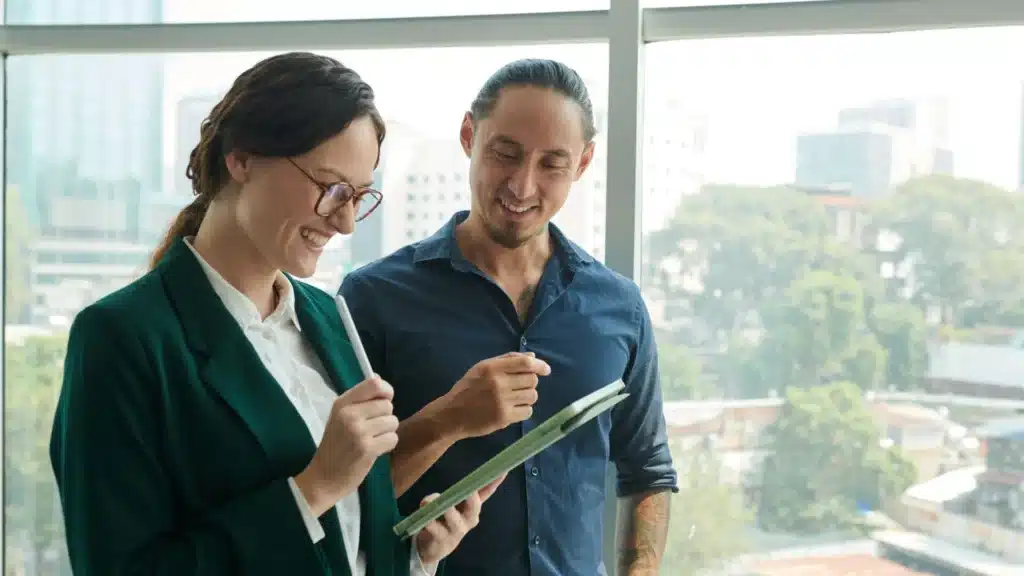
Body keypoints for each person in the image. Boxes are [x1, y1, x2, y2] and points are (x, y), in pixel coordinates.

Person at [49, 52, 500, 576]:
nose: (346, 222)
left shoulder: (328, 317)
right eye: (331, 188)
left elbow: (343, 547)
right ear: (242, 159)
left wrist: (413, 556)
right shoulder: (123, 337)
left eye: (358, 196)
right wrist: (314, 488)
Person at [339, 59, 678, 576]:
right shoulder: (373, 298)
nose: (522, 186)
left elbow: (648, 470)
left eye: (552, 164)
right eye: (506, 154)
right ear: (469, 135)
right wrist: (449, 419)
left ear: (583, 164)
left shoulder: (621, 307)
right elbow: (342, 492)